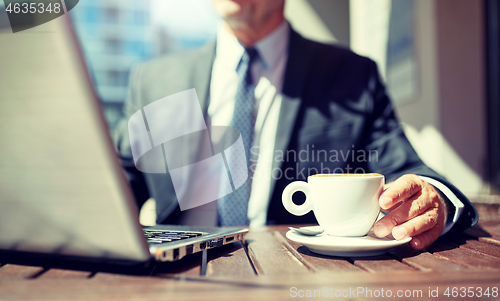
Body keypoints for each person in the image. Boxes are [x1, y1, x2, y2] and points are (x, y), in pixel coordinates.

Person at [114, 0, 477, 250]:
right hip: (174, 278)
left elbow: (407, 171)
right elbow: (115, 182)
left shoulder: (352, 77)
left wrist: (434, 200)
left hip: (299, 273)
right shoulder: (154, 82)